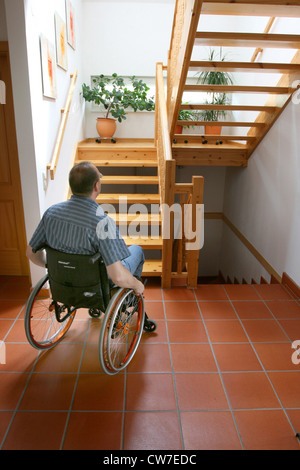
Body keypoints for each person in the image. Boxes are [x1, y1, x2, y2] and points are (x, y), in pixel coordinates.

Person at [26, 161, 145, 296]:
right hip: (94, 284)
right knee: (137, 250)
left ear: (72, 186)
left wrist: (58, 266)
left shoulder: (51, 213)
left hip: (63, 280)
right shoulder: (102, 223)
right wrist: (137, 284)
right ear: (96, 186)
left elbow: (31, 253)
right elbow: (118, 277)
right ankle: (128, 300)